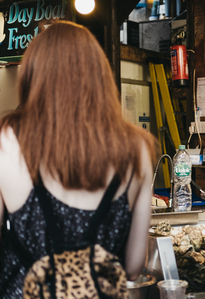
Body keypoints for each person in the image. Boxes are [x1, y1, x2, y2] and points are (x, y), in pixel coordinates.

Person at [0, 21, 158, 297]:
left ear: (33, 76)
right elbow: (134, 267)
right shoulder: (138, 148)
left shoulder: (7, 139)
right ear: (99, 75)